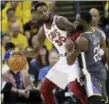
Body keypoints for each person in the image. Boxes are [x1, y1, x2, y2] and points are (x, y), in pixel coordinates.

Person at [22, 2, 87, 104]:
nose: (44, 13)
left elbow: (73, 27)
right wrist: (22, 53)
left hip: (73, 57)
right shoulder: (42, 31)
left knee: (75, 89)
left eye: (45, 10)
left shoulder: (59, 20)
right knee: (45, 89)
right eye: (41, 12)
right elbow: (35, 52)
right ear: (37, 15)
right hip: (62, 61)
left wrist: (69, 38)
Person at [65, 11, 107, 104]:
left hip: (91, 76)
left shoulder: (81, 40)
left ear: (83, 22)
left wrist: (67, 48)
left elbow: (69, 61)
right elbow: (105, 49)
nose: (75, 22)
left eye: (77, 20)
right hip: (102, 72)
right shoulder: (97, 32)